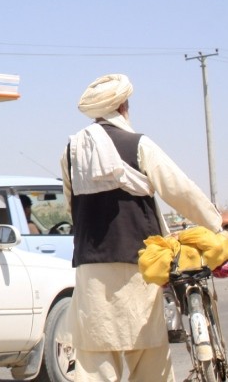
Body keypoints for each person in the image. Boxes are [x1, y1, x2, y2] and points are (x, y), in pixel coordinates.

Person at [60, 73, 222, 381]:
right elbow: (179, 189)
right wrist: (214, 221)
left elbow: (72, 206)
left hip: (91, 267)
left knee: (96, 359)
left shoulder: (72, 150)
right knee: (147, 357)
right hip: (140, 265)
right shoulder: (138, 145)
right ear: (123, 106)